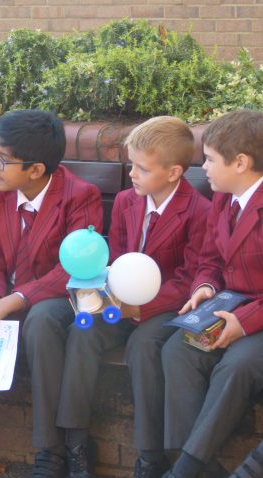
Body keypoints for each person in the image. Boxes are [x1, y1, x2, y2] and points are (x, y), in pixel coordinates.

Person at [0, 109, 110, 478]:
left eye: (2, 159)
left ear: (36, 170)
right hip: (3, 293)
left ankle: (51, 449)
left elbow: (73, 270)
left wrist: (12, 301)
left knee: (42, 323)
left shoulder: (80, 196)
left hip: (54, 298)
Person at [161, 109, 263, 478]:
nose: (201, 167)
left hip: (258, 318)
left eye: (209, 159)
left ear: (241, 162)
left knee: (237, 365)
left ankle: (185, 470)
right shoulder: (223, 197)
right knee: (178, 350)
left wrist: (244, 321)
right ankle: (200, 471)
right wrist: (204, 286)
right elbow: (210, 259)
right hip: (226, 307)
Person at [107, 116, 210, 478]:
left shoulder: (198, 211)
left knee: (144, 345)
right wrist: (109, 299)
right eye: (130, 164)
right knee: (82, 332)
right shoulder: (125, 202)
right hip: (122, 303)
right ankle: (71, 441)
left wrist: (140, 308)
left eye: (141, 168)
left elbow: (188, 278)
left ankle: (150, 456)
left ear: (173, 172)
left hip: (166, 308)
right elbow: (117, 255)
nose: (131, 173)